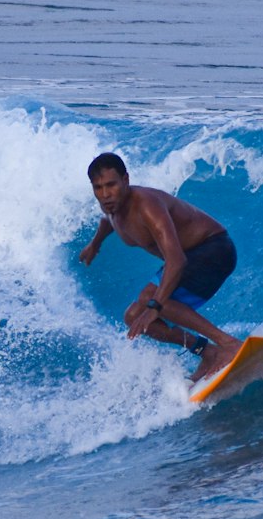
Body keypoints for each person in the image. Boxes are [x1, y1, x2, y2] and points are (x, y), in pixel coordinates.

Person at [79, 152, 242, 383]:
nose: (105, 194)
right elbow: (108, 221)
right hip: (191, 257)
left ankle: (229, 344)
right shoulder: (110, 206)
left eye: (111, 185)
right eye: (98, 188)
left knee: (149, 299)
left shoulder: (146, 205)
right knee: (134, 316)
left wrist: (156, 306)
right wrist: (95, 244)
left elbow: (176, 261)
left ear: (125, 180)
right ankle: (208, 352)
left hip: (214, 250)